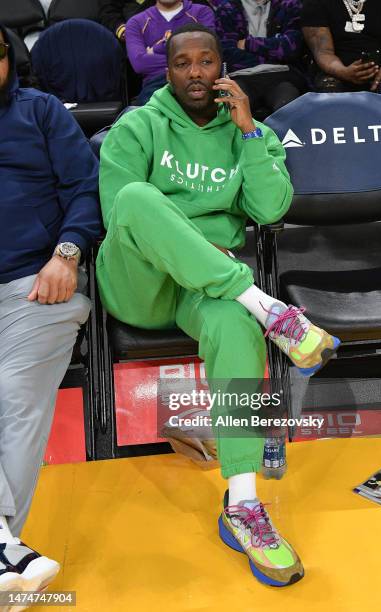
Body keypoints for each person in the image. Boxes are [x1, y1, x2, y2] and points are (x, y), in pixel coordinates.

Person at [96, 22, 340, 586]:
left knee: (234, 326)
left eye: (206, 62)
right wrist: (227, 271)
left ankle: (244, 504)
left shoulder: (246, 130)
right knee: (138, 195)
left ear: (221, 68)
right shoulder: (137, 127)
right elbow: (120, 215)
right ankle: (271, 308)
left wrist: (251, 133)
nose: (196, 74)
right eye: (183, 64)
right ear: (168, 69)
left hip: (207, 290)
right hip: (138, 281)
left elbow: (270, 208)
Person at [0, 25, 101, 595]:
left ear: (9, 57)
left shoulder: (40, 112)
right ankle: (5, 550)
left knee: (14, 397)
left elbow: (85, 188)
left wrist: (66, 254)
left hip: (35, 287)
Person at [301, 0, 381, 103]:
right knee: (330, 93)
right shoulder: (315, 2)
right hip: (335, 69)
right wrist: (343, 72)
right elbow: (323, 52)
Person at [215, 0, 307, 116]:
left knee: (289, 109)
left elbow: (291, 48)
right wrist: (273, 54)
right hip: (240, 76)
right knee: (231, 109)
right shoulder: (227, 8)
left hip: (282, 75)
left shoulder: (289, 5)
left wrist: (248, 44)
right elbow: (228, 54)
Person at [125, 0, 215, 104]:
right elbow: (140, 64)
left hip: (198, 77)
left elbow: (207, 53)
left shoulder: (201, 12)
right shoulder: (135, 22)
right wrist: (187, 58)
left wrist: (156, 49)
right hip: (156, 83)